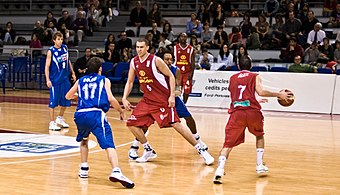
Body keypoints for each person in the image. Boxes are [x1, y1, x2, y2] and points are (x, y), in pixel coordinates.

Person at [122, 38, 214, 165]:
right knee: (131, 123)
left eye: (141, 47)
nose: (139, 49)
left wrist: (171, 96)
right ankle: (147, 149)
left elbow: (171, 76)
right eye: (137, 47)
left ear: (147, 47)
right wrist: (124, 98)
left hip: (162, 99)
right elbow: (130, 81)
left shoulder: (155, 60)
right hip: (147, 99)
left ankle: (202, 151)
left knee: (176, 124)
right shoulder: (134, 62)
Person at [213, 56, 291, 184]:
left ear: (238, 66)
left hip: (236, 113)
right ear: (251, 66)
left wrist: (254, 100)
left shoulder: (232, 78)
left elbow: (237, 96)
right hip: (252, 112)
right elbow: (260, 91)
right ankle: (259, 165)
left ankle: (219, 171)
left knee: (227, 145)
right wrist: (279, 94)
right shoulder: (255, 76)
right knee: (259, 136)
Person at [65, 57, 135, 189]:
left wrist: (80, 96)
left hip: (80, 115)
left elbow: (67, 96)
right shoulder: (104, 80)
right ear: (100, 69)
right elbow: (110, 99)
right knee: (109, 144)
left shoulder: (80, 80)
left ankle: (84, 168)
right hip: (96, 114)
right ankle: (116, 171)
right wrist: (120, 111)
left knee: (84, 140)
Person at [45, 31, 76, 130]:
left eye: (61, 39)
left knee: (66, 99)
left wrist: (73, 72)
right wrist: (48, 79)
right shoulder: (51, 51)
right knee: (53, 102)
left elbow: (68, 61)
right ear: (54, 40)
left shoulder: (65, 48)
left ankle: (60, 118)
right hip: (55, 80)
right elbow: (47, 66)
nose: (60, 41)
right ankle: (51, 122)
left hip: (65, 79)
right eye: (58, 39)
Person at [173, 33, 196, 104]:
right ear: (179, 38)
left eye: (185, 37)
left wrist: (192, 73)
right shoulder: (174, 48)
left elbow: (192, 62)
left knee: (187, 90)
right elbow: (172, 60)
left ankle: (184, 104)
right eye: (182, 36)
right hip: (178, 73)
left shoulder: (191, 49)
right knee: (177, 90)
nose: (183, 38)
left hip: (187, 72)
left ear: (187, 38)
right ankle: (176, 105)